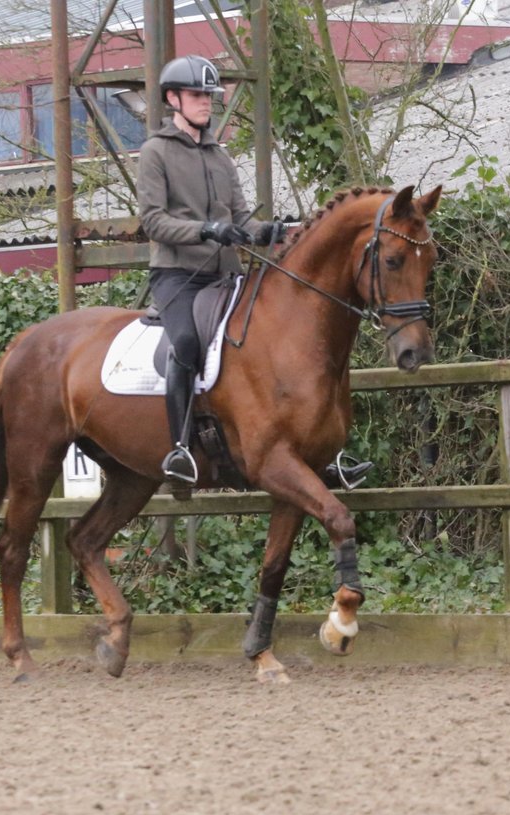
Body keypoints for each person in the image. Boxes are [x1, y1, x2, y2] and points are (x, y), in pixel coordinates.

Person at [136, 54, 371, 490]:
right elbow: (153, 221)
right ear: (173, 99)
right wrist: (207, 229)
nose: (207, 103)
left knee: (281, 341)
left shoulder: (219, 156)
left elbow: (240, 218)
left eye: (209, 96)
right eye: (196, 96)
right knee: (186, 343)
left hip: (226, 277)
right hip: (178, 276)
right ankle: (181, 449)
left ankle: (324, 454)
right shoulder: (156, 153)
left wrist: (270, 232)